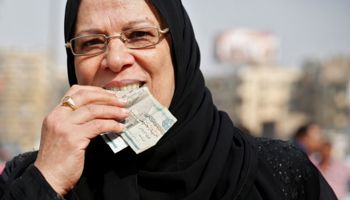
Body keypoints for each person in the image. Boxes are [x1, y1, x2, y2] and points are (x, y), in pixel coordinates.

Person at [0, 0, 336, 199]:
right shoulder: (30, 177)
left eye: (140, 35)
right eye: (90, 42)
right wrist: (45, 184)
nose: (115, 59)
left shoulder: (280, 175)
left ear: (179, 50)